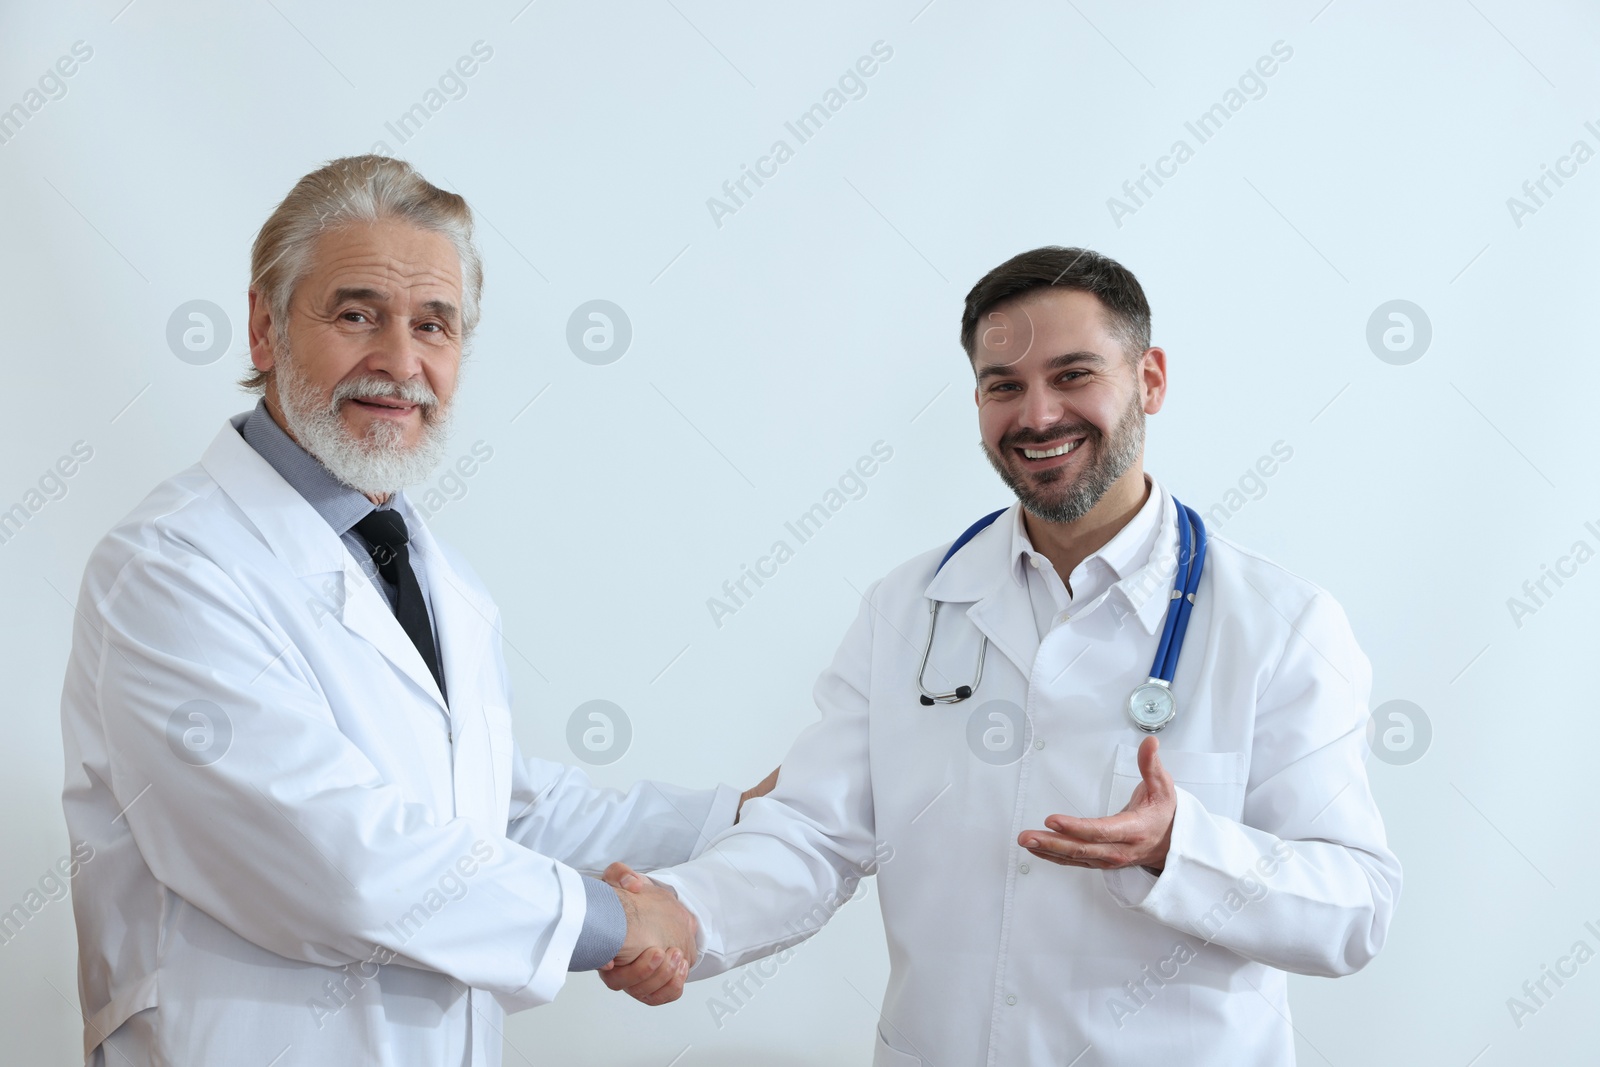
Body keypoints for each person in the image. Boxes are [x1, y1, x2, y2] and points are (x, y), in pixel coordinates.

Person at [603, 247, 1402, 1065]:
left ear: (1151, 379)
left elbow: (1356, 908)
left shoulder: (1280, 621)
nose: (1038, 415)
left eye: (1074, 373)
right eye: (1004, 385)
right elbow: (812, 831)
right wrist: (684, 909)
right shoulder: (909, 606)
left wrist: (1181, 849)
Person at [59, 155, 771, 1067]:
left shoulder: (437, 577)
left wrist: (738, 820)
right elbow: (330, 856)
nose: (400, 362)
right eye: (357, 314)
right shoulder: (169, 568)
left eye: (433, 325)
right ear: (264, 329)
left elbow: (497, 814)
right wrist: (616, 918)